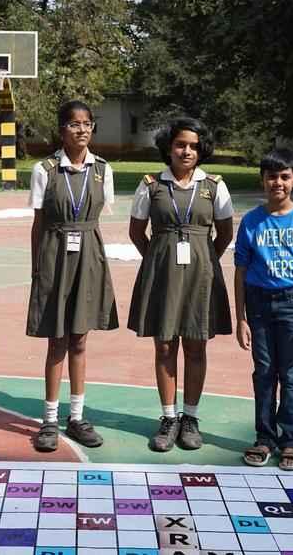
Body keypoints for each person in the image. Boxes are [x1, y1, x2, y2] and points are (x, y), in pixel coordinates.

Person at [127, 117, 234, 452]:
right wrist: (158, 259)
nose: (186, 151)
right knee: (164, 346)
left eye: (193, 146)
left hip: (201, 276)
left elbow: (225, 234)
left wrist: (204, 259)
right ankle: (169, 417)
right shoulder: (150, 185)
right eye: (180, 145)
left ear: (201, 150)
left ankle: (191, 418)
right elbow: (136, 232)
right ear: (169, 147)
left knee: (196, 345)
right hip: (162, 275)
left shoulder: (214, 186)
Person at [26, 100, 118, 452]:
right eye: (74, 124)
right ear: (62, 129)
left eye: (87, 123)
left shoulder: (103, 170)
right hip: (54, 253)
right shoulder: (45, 169)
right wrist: (37, 269)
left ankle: (76, 417)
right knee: (57, 340)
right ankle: (49, 419)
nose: (81, 129)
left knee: (80, 339)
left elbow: (99, 214)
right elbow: (38, 225)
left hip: (89, 255)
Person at [234, 148, 293, 471]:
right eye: (272, 176)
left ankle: (290, 441)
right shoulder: (251, 221)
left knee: (291, 375)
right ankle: (264, 438)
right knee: (264, 373)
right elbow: (240, 272)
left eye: (285, 176)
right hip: (258, 305)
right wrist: (240, 318)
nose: (278, 182)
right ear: (262, 180)